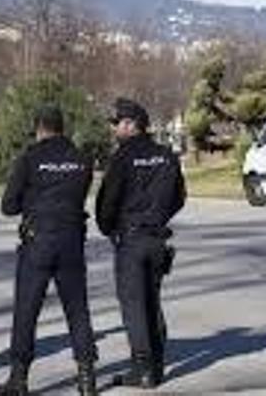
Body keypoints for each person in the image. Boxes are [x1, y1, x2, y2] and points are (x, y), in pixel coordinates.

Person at [0, 106, 99, 396]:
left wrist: (32, 198)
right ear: (62, 128)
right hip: (71, 242)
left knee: (26, 310)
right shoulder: (82, 159)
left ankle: (19, 378)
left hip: (37, 241)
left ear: (39, 129)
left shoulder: (30, 158)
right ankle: (87, 378)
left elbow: (8, 206)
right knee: (77, 309)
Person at [96, 98, 186, 388]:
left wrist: (109, 227)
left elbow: (107, 201)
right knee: (152, 301)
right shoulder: (167, 156)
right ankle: (157, 365)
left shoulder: (122, 158)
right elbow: (179, 197)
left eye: (116, 123)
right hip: (157, 238)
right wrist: (158, 217)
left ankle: (143, 368)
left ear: (131, 124)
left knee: (134, 305)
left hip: (131, 238)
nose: (113, 129)